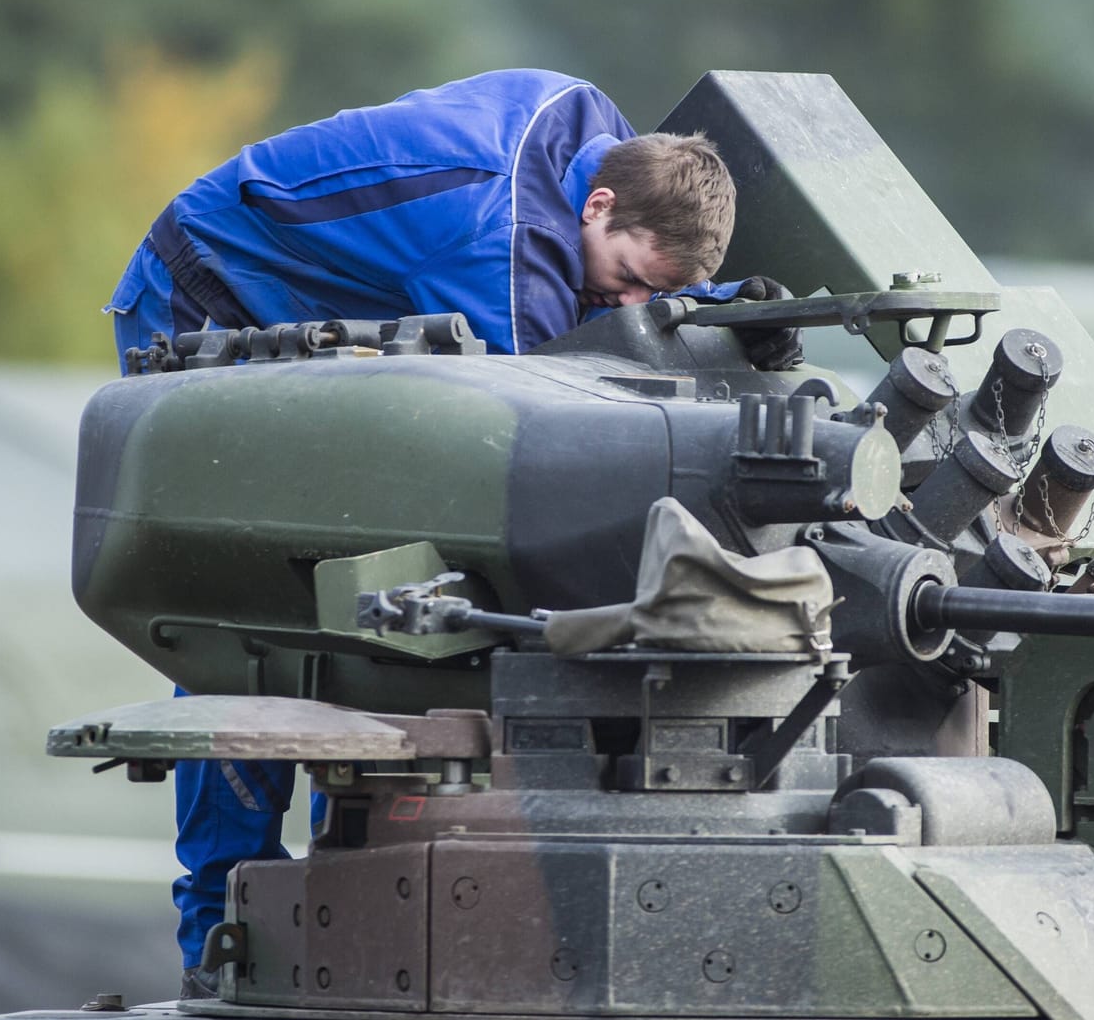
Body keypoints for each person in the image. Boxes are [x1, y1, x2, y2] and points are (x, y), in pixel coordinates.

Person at [105, 69, 798, 999]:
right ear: (596, 206)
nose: (629, 303)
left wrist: (713, 315)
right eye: (628, 279)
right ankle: (219, 927)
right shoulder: (498, 242)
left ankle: (331, 885)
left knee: (366, 585)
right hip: (208, 294)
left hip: (327, 311)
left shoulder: (592, 133)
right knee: (261, 613)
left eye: (651, 293)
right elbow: (551, 421)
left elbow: (609, 320)